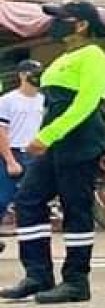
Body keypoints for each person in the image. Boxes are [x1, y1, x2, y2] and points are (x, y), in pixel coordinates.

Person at [0, 0, 105, 304]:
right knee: (28, 201)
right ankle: (38, 275)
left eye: (61, 18)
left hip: (79, 142)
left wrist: (48, 135)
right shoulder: (64, 57)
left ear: (81, 24)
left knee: (76, 209)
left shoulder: (94, 56)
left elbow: (86, 104)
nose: (54, 24)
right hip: (53, 144)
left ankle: (76, 281)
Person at [0, 59, 44, 255]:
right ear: (22, 75)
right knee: (2, 199)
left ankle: (32, 244)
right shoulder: (7, 100)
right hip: (13, 152)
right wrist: (10, 160)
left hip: (36, 154)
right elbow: (1, 131)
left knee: (32, 202)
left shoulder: (44, 100)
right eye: (31, 73)